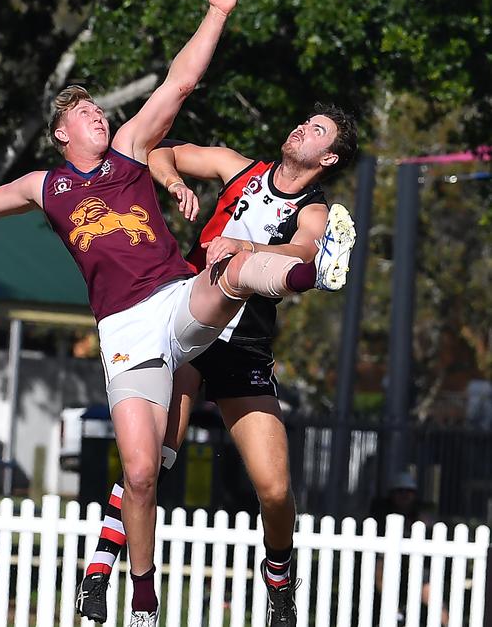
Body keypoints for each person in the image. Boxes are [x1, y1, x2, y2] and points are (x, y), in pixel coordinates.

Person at [0, 0, 355, 627]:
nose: (97, 115)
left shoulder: (130, 151)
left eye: (97, 108)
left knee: (232, 271)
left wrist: (217, 10)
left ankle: (304, 274)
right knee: (141, 469)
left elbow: (180, 82)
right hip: (125, 331)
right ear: (61, 134)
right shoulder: (47, 184)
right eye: (84, 112)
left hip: (185, 302)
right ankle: (138, 597)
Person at [76, 105, 357, 627]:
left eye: (317, 130)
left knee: (275, 490)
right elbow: (162, 152)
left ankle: (278, 581)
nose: (301, 127)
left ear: (329, 156)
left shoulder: (315, 209)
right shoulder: (238, 167)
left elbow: (301, 247)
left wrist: (244, 244)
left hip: (243, 344)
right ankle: (99, 570)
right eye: (304, 120)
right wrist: (174, 183)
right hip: (185, 319)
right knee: (153, 457)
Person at [371, 471, 448, 626]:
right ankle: (395, 611)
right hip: (388, 566)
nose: (404, 495)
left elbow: (433, 527)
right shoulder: (380, 512)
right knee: (379, 568)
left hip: (417, 568)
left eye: (409, 492)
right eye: (400, 491)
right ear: (392, 494)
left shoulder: (421, 513)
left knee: (436, 603)